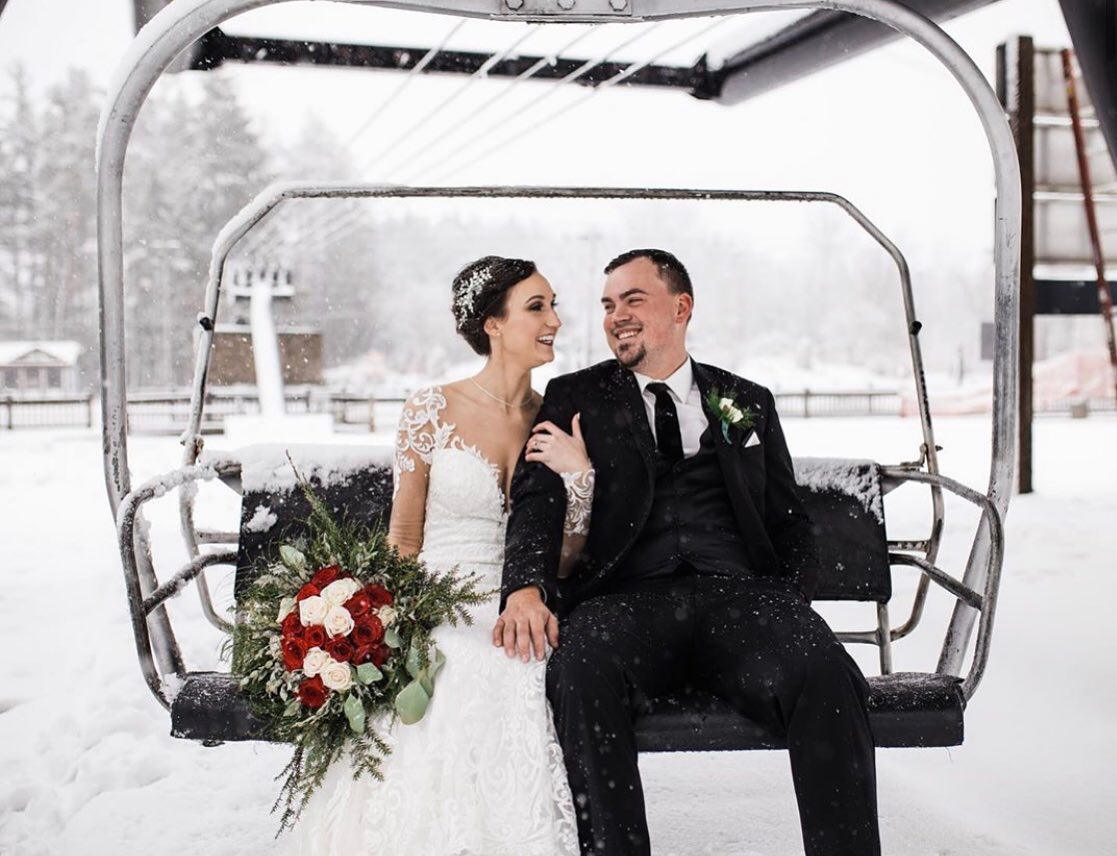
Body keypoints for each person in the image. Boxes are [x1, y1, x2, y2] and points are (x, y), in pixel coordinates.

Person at [497, 249, 880, 856]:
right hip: (626, 599)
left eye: (633, 300)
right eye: (606, 305)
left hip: (741, 600)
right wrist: (525, 587)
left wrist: (786, 599)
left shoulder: (745, 400)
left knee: (826, 670)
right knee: (579, 670)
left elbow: (789, 520)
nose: (615, 316)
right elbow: (538, 501)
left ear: (682, 308)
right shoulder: (577, 395)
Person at [290, 256, 594, 856]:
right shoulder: (432, 409)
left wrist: (579, 478)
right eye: (537, 307)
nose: (555, 319)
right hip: (438, 595)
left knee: (526, 667)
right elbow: (404, 537)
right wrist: (379, 625)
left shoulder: (558, 419)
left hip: (519, 602)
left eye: (554, 305)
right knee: (454, 667)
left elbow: (562, 563)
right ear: (493, 324)